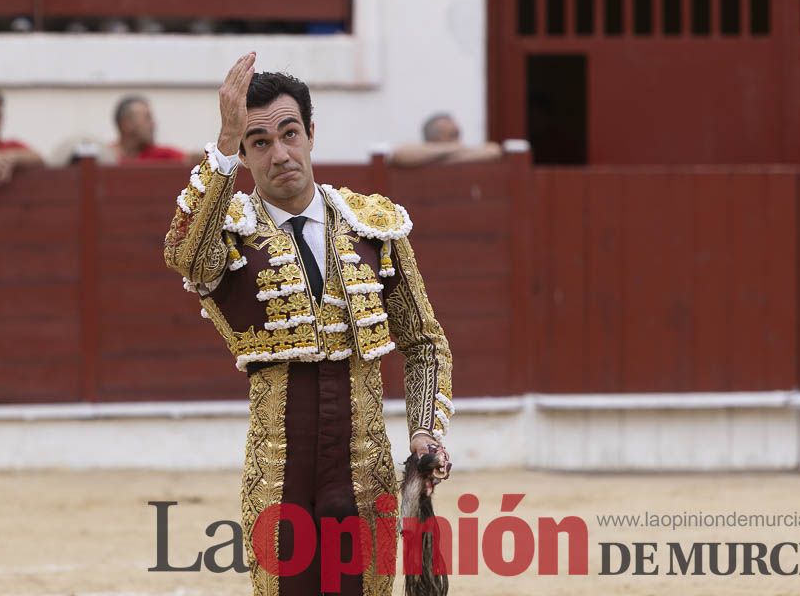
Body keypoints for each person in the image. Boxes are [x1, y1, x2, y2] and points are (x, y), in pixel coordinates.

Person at [163, 54, 454, 595]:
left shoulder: (375, 227)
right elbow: (182, 253)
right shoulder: (228, 234)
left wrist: (424, 431)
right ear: (245, 154)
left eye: (289, 133)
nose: (280, 154)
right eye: (259, 143)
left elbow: (424, 344)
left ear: (312, 133)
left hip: (364, 472)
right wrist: (222, 143)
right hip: (279, 473)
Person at [390, 112, 504, 167]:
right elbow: (399, 154)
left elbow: (494, 150)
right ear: (434, 138)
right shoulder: (418, 153)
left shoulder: (459, 153)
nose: (457, 142)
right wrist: (450, 150)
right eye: (452, 135)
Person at [109, 94, 186, 163]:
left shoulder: (164, 155)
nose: (153, 124)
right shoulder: (105, 159)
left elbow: (191, 162)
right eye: (147, 118)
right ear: (126, 123)